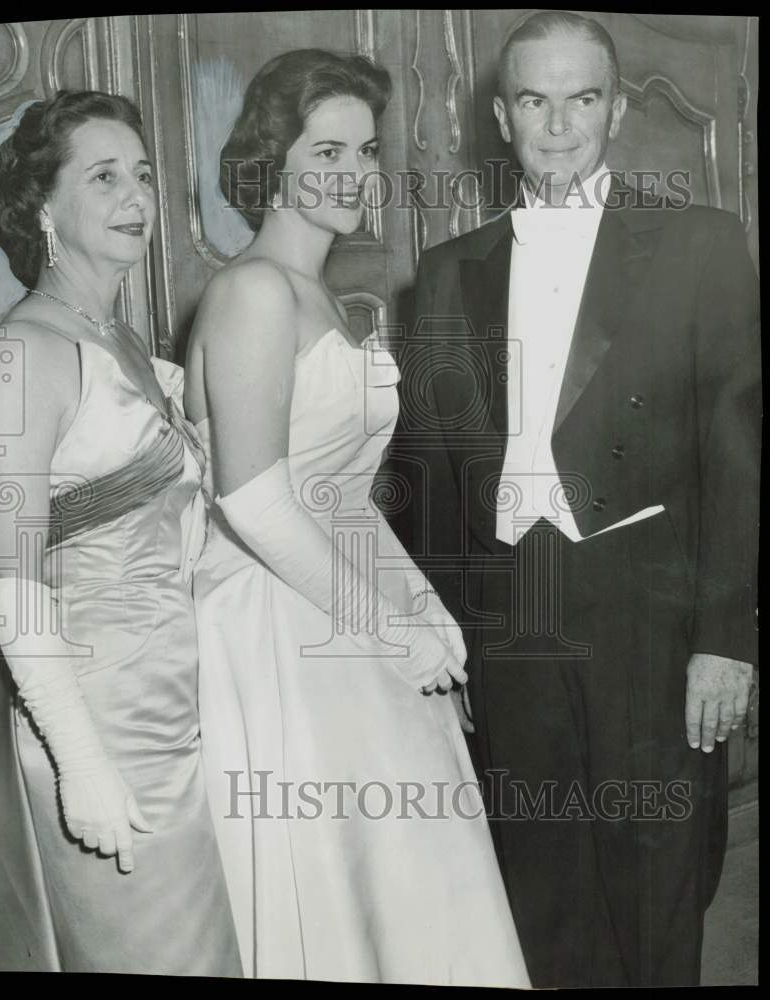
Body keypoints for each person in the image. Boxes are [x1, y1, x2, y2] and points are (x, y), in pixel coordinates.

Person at [396, 10, 760, 988]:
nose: (558, 125)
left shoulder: (700, 245)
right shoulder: (445, 274)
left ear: (618, 109)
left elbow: (740, 455)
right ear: (502, 118)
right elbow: (426, 476)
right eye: (534, 100)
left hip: (649, 609)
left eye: (582, 98)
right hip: (510, 623)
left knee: (658, 892)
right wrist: (449, 633)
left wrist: (727, 639)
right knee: (538, 897)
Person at [184, 49, 529, 987]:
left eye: (366, 150)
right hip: (282, 625)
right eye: (324, 150)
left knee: (410, 881)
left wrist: (424, 617)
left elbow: (343, 500)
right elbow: (254, 499)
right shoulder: (252, 291)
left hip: (347, 599)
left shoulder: (323, 298)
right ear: (270, 162)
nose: (354, 173)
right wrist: (389, 627)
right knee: (338, 891)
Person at [0, 90, 241, 975]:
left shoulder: (124, 342)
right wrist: (81, 761)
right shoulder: (19, 357)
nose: (136, 197)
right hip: (97, 721)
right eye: (105, 176)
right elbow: (11, 586)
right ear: (43, 208)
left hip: (180, 712)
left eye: (145, 175)